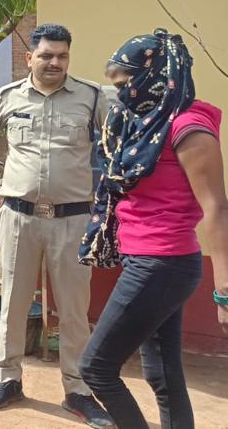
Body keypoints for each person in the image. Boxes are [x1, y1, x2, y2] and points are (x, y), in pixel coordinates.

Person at [79, 29, 228, 428]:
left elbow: (217, 208)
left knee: (96, 368)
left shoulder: (189, 128)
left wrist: (224, 292)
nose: (122, 94)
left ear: (157, 76)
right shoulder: (149, 125)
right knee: (161, 373)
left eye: (125, 83)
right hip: (148, 261)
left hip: (162, 263)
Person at [0, 24, 113, 427]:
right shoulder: (8, 97)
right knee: (13, 302)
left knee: (74, 309)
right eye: (47, 55)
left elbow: (116, 146)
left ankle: (77, 390)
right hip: (18, 218)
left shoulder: (91, 97)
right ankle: (8, 379)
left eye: (62, 55)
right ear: (30, 57)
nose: (55, 62)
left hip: (73, 219)